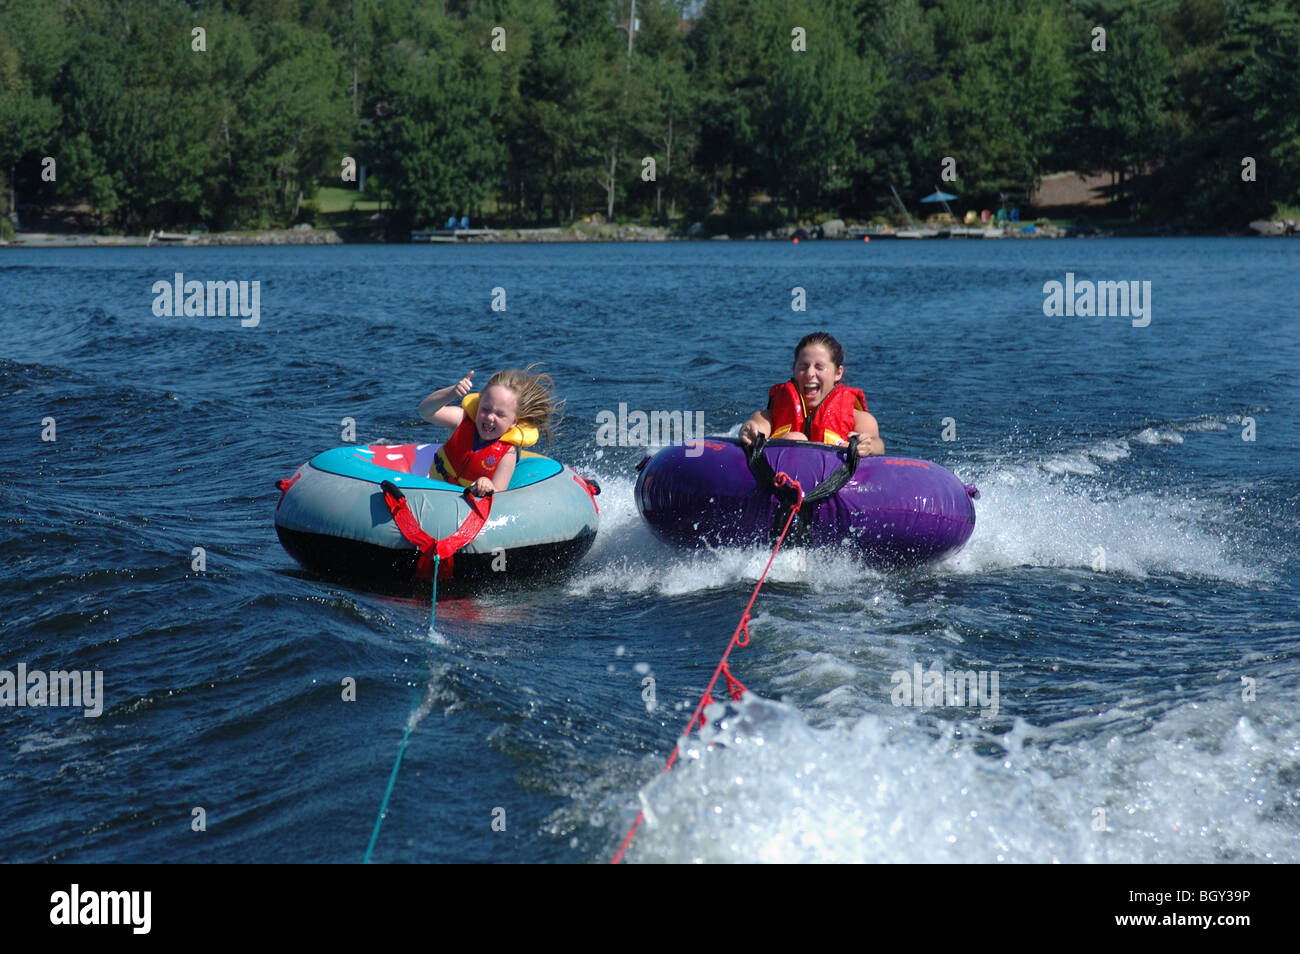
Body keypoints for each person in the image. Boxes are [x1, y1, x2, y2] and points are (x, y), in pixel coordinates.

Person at [418, 366, 560, 496]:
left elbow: (499, 492)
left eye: (500, 414)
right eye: (485, 409)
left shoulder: (507, 453)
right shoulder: (460, 420)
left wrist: (487, 484)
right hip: (435, 490)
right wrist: (452, 393)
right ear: (479, 405)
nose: (490, 417)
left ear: (513, 422)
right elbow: (425, 411)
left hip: (466, 505)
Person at [738, 332, 884, 455]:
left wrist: (868, 445)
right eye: (803, 366)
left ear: (838, 373)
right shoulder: (771, 415)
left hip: (836, 477)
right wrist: (750, 429)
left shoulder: (860, 420)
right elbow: (758, 426)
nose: (810, 373)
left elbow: (878, 445)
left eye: (819, 367)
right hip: (778, 471)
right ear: (794, 369)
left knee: (845, 447)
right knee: (795, 438)